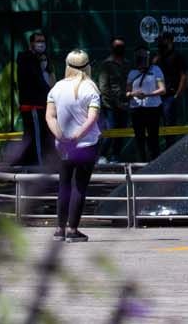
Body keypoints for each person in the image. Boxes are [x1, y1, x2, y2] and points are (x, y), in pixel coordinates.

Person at [45, 49, 101, 242]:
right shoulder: (91, 88)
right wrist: (78, 135)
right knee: (79, 186)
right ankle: (72, 229)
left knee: (64, 185)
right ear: (87, 66)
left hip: (62, 146)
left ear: (67, 65)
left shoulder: (56, 88)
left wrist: (60, 135)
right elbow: (93, 118)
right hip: (86, 144)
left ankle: (59, 229)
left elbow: (49, 116)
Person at [14, 31, 55, 167]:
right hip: (33, 104)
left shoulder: (43, 60)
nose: (41, 44)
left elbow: (50, 79)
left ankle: (27, 161)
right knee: (37, 135)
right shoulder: (27, 58)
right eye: (38, 41)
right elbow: (37, 80)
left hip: (41, 104)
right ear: (31, 43)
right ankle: (39, 163)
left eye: (43, 41)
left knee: (34, 134)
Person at [125, 47, 165, 163]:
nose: (141, 58)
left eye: (143, 56)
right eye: (139, 56)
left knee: (153, 138)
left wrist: (147, 94)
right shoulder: (132, 73)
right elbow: (127, 92)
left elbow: (162, 90)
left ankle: (156, 164)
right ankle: (140, 166)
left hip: (153, 109)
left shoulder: (156, 70)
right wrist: (133, 93)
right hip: (137, 109)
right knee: (139, 139)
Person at [95, 37, 130, 160]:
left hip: (125, 104)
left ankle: (116, 156)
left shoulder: (127, 63)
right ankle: (102, 156)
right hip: (110, 106)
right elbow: (103, 87)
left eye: (122, 46)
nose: (120, 48)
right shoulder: (106, 64)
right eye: (117, 46)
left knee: (121, 132)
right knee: (110, 132)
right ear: (112, 48)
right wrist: (116, 103)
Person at [153, 32, 188, 140]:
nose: (160, 43)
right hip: (155, 97)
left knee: (169, 126)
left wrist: (177, 95)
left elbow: (184, 76)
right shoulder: (156, 58)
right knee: (153, 126)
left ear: (170, 41)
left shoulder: (177, 56)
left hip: (169, 96)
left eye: (163, 40)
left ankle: (170, 150)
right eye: (159, 40)